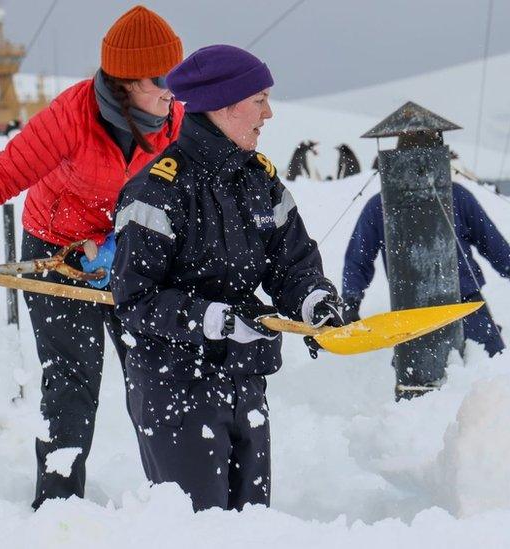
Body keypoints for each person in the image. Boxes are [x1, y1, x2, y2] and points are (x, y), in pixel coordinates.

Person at [0, 6, 185, 509]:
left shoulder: (176, 125)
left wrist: (120, 247)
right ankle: (58, 509)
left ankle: (174, 505)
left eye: (176, 76)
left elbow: (183, 203)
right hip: (56, 251)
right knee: (72, 383)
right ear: (124, 83)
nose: (171, 89)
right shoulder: (71, 118)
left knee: (155, 372)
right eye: (161, 78)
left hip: (131, 255)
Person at [111, 45, 344, 511]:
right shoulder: (157, 190)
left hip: (245, 379)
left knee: (251, 528)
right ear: (221, 105)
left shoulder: (261, 179)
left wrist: (314, 300)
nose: (268, 113)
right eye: (258, 99)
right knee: (198, 531)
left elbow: (292, 263)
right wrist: (212, 319)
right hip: (174, 387)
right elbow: (134, 301)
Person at [342, 183, 510, 357]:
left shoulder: (381, 204)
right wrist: (351, 302)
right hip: (427, 314)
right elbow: (493, 244)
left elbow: (493, 245)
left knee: (484, 374)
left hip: (442, 310)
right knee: (487, 378)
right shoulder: (453, 196)